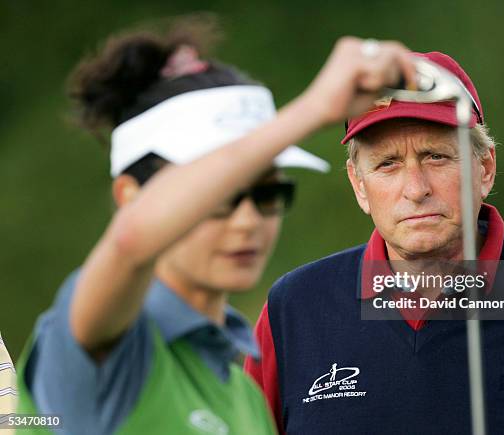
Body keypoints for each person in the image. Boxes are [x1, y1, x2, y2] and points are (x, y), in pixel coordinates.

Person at [13, 14, 417, 435]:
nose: (248, 222)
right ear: (129, 197)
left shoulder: (244, 395)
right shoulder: (98, 351)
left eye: (267, 195)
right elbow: (131, 240)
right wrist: (313, 109)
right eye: (221, 197)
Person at [245, 50, 504, 434]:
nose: (416, 189)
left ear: (484, 168)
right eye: (387, 163)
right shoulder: (294, 309)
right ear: (359, 185)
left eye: (436, 156)